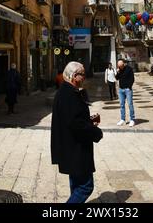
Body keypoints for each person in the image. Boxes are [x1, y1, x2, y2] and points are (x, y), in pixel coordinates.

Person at [51, 61, 103, 203]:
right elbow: (76, 124)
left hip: (70, 148)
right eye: (83, 75)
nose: (84, 78)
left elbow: (73, 119)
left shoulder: (65, 92)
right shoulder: (70, 95)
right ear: (74, 76)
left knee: (76, 185)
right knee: (86, 187)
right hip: (76, 150)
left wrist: (89, 121)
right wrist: (95, 132)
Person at [115, 59, 135, 127]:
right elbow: (117, 78)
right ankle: (122, 119)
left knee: (130, 104)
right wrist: (117, 72)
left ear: (123, 64)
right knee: (122, 105)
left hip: (127, 90)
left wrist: (129, 87)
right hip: (121, 90)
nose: (120, 67)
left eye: (121, 66)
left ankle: (132, 119)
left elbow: (132, 79)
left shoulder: (129, 69)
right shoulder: (119, 70)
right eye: (119, 66)